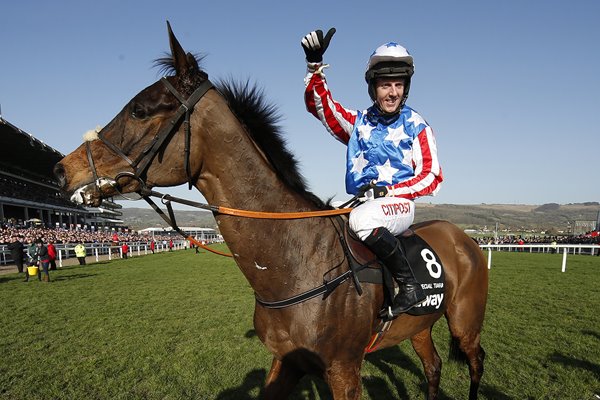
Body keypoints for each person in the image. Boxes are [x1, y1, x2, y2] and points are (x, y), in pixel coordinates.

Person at [301, 28, 443, 317]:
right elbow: (323, 108)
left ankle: (410, 287)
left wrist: (389, 191)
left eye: (399, 85)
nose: (392, 92)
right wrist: (315, 66)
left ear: (406, 87)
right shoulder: (360, 122)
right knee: (320, 221)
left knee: (362, 220)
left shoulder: (417, 125)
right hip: (362, 201)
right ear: (373, 87)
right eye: (385, 85)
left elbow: (432, 176)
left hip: (399, 205)